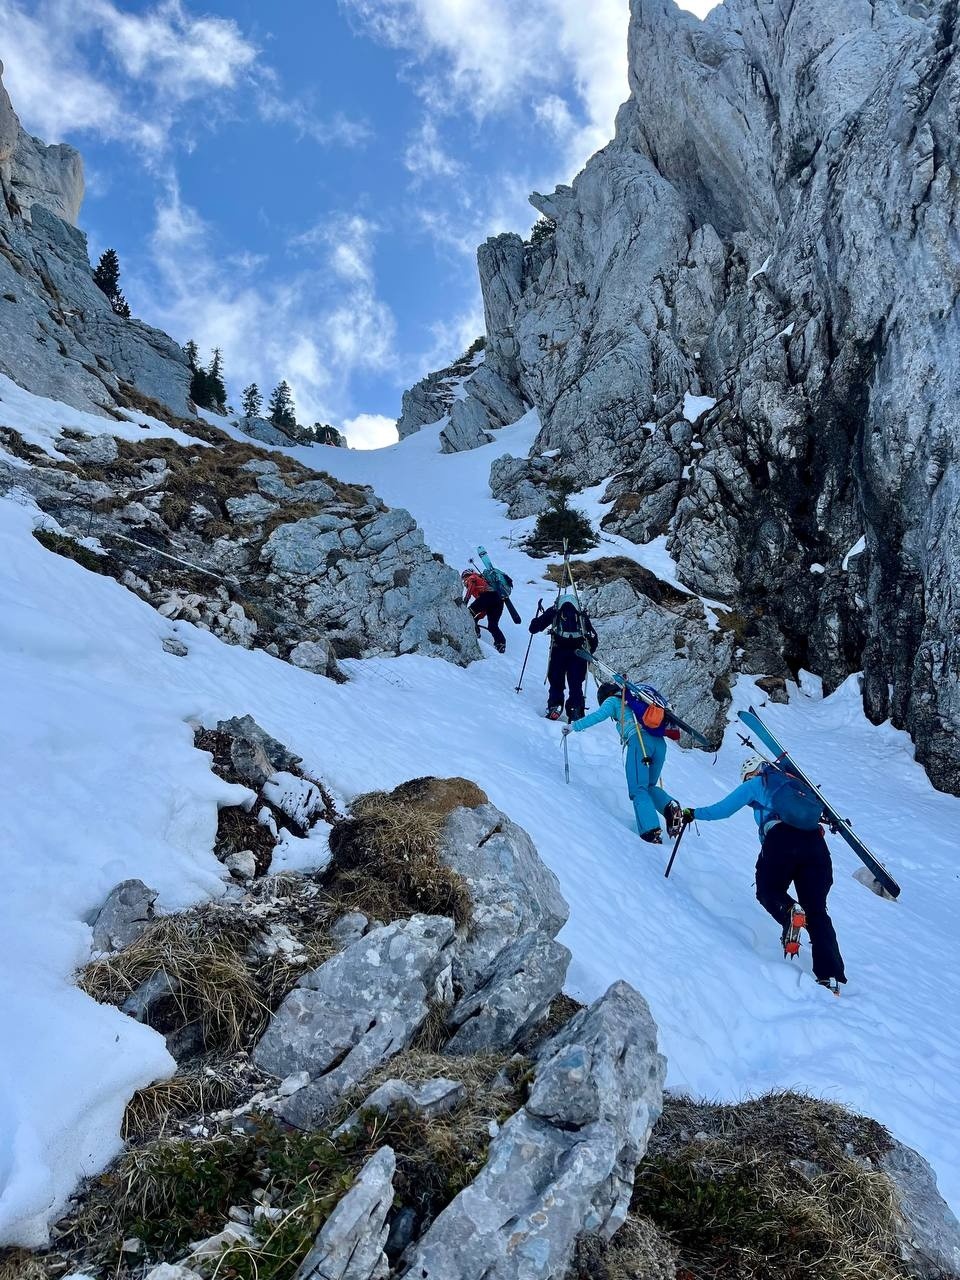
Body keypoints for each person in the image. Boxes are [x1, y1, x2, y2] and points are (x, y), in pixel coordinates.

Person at [680, 756, 847, 991]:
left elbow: (723, 810)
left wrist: (693, 813)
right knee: (817, 911)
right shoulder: (797, 783)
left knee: (768, 890)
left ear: (752, 772)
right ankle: (830, 977)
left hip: (782, 840)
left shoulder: (758, 784)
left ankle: (789, 911)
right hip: (816, 848)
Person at [565, 681, 682, 843]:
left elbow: (598, 716)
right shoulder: (634, 699)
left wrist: (574, 726)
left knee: (638, 789)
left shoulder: (613, 701)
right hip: (659, 744)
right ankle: (669, 807)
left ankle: (650, 831)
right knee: (649, 786)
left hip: (639, 742)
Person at [528, 592, 598, 720]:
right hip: (579, 652)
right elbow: (593, 637)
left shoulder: (555, 611)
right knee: (576, 683)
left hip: (558, 650)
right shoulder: (581, 613)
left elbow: (533, 628)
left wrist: (535, 620)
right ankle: (575, 709)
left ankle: (555, 706)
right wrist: (589, 652)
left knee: (556, 681)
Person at [461, 568, 506, 653]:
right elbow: (483, 606)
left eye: (463, 578)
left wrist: (465, 601)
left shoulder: (472, 577)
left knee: (469, 612)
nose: (464, 582)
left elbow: (471, 590)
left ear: (466, 575)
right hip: (499, 601)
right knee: (492, 625)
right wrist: (477, 618)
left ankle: (475, 631)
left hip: (488, 596)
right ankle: (501, 644)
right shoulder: (483, 581)